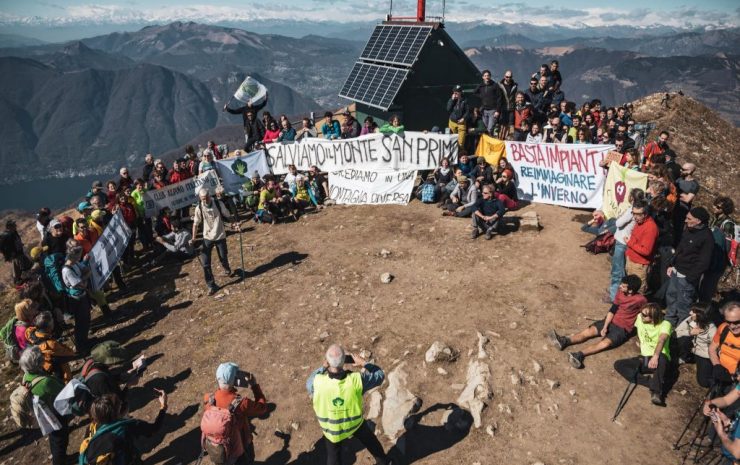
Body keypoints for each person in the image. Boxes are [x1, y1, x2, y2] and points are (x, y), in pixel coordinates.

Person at [306, 344, 389, 465]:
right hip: (354, 423)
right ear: (344, 361)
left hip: (331, 430)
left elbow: (309, 382)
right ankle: (383, 462)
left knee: (333, 456)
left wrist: (323, 367)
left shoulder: (317, 382)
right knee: (371, 441)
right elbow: (380, 375)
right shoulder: (356, 380)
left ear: (327, 361)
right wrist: (364, 363)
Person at [549, 275, 645, 369]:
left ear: (631, 290)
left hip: (622, 329)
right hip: (610, 320)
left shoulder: (640, 300)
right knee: (589, 331)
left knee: (605, 343)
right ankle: (564, 341)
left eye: (623, 286)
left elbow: (646, 313)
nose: (620, 286)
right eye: (621, 284)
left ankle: (579, 355)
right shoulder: (620, 293)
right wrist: (605, 326)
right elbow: (612, 310)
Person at [202, 362, 268, 464]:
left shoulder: (209, 399)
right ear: (235, 380)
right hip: (241, 447)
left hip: (220, 449)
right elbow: (262, 407)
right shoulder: (241, 403)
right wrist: (254, 385)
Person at [80, 391, 167, 465]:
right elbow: (154, 428)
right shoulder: (127, 426)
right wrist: (163, 406)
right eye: (120, 406)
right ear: (117, 411)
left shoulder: (91, 428)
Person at [18, 346, 69, 465]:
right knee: (60, 439)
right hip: (55, 413)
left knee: (54, 438)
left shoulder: (26, 376)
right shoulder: (46, 382)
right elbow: (64, 391)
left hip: (43, 414)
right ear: (39, 362)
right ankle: (60, 461)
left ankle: (59, 458)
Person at [614, 303, 673, 406]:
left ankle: (656, 392)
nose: (641, 315)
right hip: (645, 357)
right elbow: (639, 331)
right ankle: (651, 382)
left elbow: (662, 340)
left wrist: (655, 357)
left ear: (653, 318)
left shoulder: (665, 324)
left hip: (659, 357)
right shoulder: (639, 318)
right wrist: (641, 343)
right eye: (641, 313)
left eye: (644, 315)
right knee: (619, 364)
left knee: (662, 358)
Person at [665, 207, 714, 327]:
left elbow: (704, 262)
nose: (685, 220)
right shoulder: (689, 229)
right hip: (676, 272)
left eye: (689, 218)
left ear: (698, 221)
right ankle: (668, 322)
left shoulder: (707, 237)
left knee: (684, 306)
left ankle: (681, 331)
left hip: (687, 278)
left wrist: (690, 278)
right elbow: (680, 248)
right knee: (671, 297)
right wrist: (672, 264)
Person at [192, 188, 234, 295]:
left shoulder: (218, 204)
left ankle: (226, 268)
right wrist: (193, 237)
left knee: (223, 256)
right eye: (202, 199)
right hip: (207, 237)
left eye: (206, 198)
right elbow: (196, 224)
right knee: (206, 263)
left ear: (209, 196)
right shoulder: (199, 208)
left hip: (220, 235)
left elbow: (227, 214)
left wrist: (234, 223)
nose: (204, 200)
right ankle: (211, 285)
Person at [609, 192, 646, 301]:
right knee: (622, 269)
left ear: (632, 198)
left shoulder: (631, 212)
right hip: (626, 243)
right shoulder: (636, 211)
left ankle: (613, 296)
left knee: (618, 270)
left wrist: (621, 216)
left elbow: (618, 223)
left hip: (622, 243)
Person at [61, 239, 94, 353]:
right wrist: (85, 277)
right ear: (73, 256)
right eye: (78, 255)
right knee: (81, 322)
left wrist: (84, 277)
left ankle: (85, 341)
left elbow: (86, 270)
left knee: (86, 320)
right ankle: (81, 346)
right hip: (77, 299)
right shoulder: (67, 270)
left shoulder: (74, 264)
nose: (80, 258)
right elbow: (80, 285)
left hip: (82, 296)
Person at [701, 196, 737, 301]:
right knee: (703, 283)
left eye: (718, 207)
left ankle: (705, 308)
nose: (714, 207)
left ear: (724, 209)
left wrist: (723, 261)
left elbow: (727, 245)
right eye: (714, 205)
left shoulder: (728, 224)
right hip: (709, 255)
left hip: (718, 260)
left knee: (709, 285)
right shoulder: (714, 219)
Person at [25, 311, 75, 382]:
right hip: (61, 374)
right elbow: (71, 353)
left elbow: (30, 329)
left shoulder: (30, 333)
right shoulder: (51, 344)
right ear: (49, 327)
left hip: (45, 369)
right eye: (52, 322)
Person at [675, 303, 717, 388]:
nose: (690, 313)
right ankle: (684, 356)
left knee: (703, 382)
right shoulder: (691, 320)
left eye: (693, 312)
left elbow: (714, 350)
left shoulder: (712, 330)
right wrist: (689, 333)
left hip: (704, 355)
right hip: (692, 349)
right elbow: (676, 332)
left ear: (701, 315)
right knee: (682, 337)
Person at [625, 202, 658, 294]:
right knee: (630, 290)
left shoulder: (651, 228)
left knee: (638, 292)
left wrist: (629, 243)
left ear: (646, 214)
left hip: (639, 266)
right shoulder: (639, 222)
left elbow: (646, 251)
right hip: (631, 260)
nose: (635, 217)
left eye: (638, 214)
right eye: (633, 213)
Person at [709, 302, 740, 389]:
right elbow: (712, 349)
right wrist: (717, 365)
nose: (732, 326)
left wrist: (733, 378)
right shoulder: (723, 328)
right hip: (720, 372)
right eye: (728, 322)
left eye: (737, 322)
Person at [673, 162, 700, 245]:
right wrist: (682, 194)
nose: (681, 170)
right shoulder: (679, 179)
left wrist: (676, 193)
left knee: (677, 230)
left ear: (690, 171)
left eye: (684, 169)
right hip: (673, 207)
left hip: (682, 210)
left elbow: (687, 199)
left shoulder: (694, 185)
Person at [1, 219, 32, 285]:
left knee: (25, 266)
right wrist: (9, 254)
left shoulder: (14, 233)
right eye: (14, 225)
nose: (16, 226)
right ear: (9, 227)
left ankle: (24, 280)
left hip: (20, 253)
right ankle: (18, 283)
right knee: (18, 270)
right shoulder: (7, 235)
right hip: (15, 256)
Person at [497, 70, 517, 139]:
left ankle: (509, 141)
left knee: (511, 125)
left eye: (510, 77)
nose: (508, 78)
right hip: (503, 109)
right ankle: (500, 140)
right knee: (502, 126)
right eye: (507, 77)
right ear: (504, 76)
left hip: (511, 108)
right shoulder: (500, 85)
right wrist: (498, 110)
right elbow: (498, 98)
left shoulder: (514, 85)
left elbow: (515, 96)